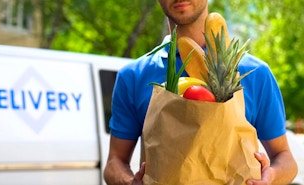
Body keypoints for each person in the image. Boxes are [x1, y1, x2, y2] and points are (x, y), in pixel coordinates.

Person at [104, 0, 298, 184]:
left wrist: (270, 177)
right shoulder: (133, 76)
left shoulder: (255, 73)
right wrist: (130, 182)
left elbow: (286, 159)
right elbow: (115, 162)